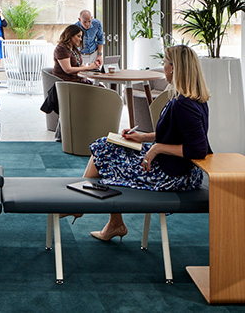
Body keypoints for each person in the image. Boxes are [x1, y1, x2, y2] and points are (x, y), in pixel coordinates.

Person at [82, 45, 211, 242]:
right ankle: (111, 222)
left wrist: (157, 148)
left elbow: (198, 149)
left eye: (165, 64)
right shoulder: (191, 99)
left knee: (103, 150)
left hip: (172, 176)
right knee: (107, 145)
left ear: (173, 67)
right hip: (178, 168)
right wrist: (141, 138)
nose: (164, 68)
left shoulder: (183, 104)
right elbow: (173, 135)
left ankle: (80, 208)